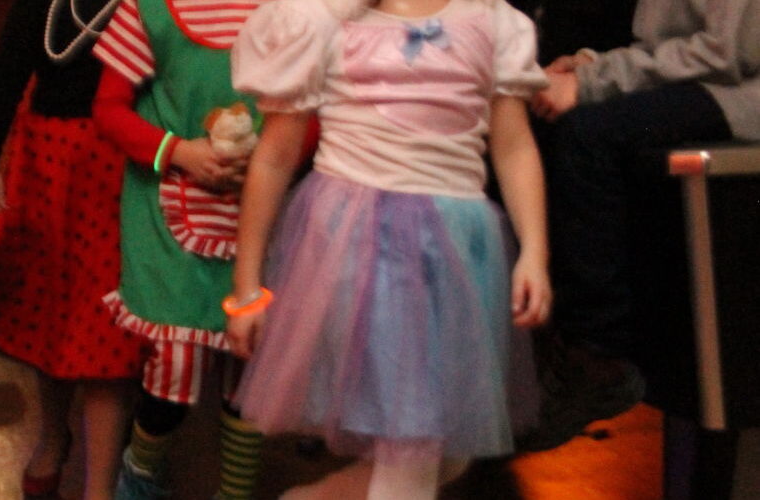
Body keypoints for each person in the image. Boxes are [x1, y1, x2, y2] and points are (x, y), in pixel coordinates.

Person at [224, 0, 551, 497]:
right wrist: (247, 287)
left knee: (445, 456)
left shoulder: (494, 21)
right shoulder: (323, 21)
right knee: (414, 443)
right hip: (359, 250)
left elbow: (514, 145)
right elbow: (275, 156)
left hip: (455, 255)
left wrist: (534, 251)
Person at [0, 1, 147, 499]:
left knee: (108, 332)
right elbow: (4, 74)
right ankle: (54, 435)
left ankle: (100, 488)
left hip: (123, 171)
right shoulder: (42, 4)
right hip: (48, 169)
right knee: (52, 318)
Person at [526, 0, 760, 448]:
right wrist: (590, 64)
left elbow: (725, 54)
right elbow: (667, 41)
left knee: (588, 136)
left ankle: (598, 355)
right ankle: (546, 353)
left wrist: (591, 82)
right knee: (544, 122)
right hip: (715, 80)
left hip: (742, 94)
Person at [89, 0, 285, 497]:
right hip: (166, 213)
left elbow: (313, 110)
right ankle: (138, 478)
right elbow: (109, 109)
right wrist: (178, 152)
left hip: (261, 210)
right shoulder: (149, 8)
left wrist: (271, 161)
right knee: (175, 368)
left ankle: (235, 494)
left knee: (251, 364)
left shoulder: (292, 10)